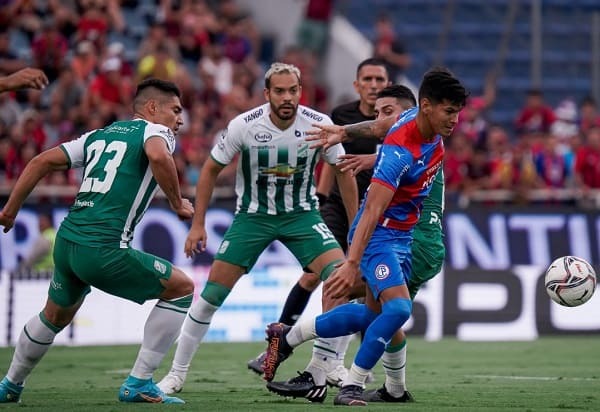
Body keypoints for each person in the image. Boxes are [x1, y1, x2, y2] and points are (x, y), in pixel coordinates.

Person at [262, 67, 468, 406]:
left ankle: (286, 337)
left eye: (457, 113)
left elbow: (379, 126)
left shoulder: (418, 120)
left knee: (373, 316)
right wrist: (352, 262)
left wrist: (342, 131)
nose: (454, 121)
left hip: (402, 237)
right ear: (428, 106)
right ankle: (352, 385)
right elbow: (371, 211)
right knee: (398, 309)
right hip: (380, 237)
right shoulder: (399, 154)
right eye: (449, 112)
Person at [156, 62, 359, 395]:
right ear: (267, 94)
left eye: (292, 90)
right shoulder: (244, 125)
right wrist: (198, 224)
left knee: (343, 282)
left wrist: (354, 229)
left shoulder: (320, 125)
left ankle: (324, 366)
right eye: (279, 91)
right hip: (253, 218)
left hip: (302, 217)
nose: (287, 97)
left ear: (300, 92)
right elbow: (209, 170)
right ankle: (177, 375)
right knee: (210, 298)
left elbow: (343, 172)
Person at [0, 78, 195, 404]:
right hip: (103, 248)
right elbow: (159, 157)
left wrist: (9, 211)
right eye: (175, 110)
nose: (180, 119)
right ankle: (140, 382)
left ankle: (10, 385)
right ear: (151, 109)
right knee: (182, 288)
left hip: (67, 243)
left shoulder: (99, 135)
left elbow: (40, 162)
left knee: (54, 316)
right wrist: (177, 203)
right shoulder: (157, 132)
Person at [246, 57, 391, 386]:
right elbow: (331, 162)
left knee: (361, 284)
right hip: (340, 207)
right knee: (319, 275)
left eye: (379, 79)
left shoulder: (395, 122)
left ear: (387, 84)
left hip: (379, 212)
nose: (373, 84)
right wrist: (322, 201)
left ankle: (326, 358)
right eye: (367, 79)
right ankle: (282, 345)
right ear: (357, 85)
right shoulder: (341, 117)